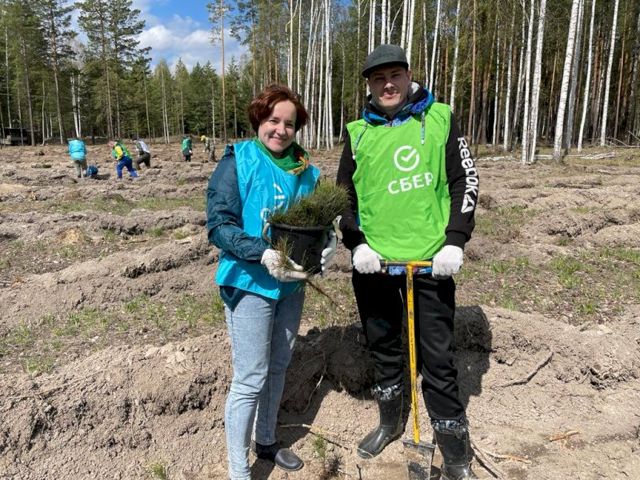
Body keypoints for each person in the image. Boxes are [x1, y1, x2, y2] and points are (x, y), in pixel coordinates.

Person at [336, 44, 479, 480]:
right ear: (369, 85)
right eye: (378, 79)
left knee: (437, 356)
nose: (388, 85)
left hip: (431, 261)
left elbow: (464, 180)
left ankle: (455, 452)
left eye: (394, 75)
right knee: (382, 345)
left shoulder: (440, 118)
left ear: (409, 75)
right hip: (375, 264)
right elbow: (343, 196)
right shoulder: (357, 132)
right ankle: (390, 421)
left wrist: (455, 241)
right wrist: (356, 244)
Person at [206, 84, 335, 480]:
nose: (280, 130)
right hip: (249, 282)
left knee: (278, 365)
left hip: (291, 285)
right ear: (259, 120)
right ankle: (238, 469)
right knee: (250, 377)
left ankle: (265, 440)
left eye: (289, 124)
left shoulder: (306, 171)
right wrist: (262, 253)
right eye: (273, 120)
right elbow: (219, 225)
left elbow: (316, 223)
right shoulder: (239, 160)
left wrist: (328, 242)